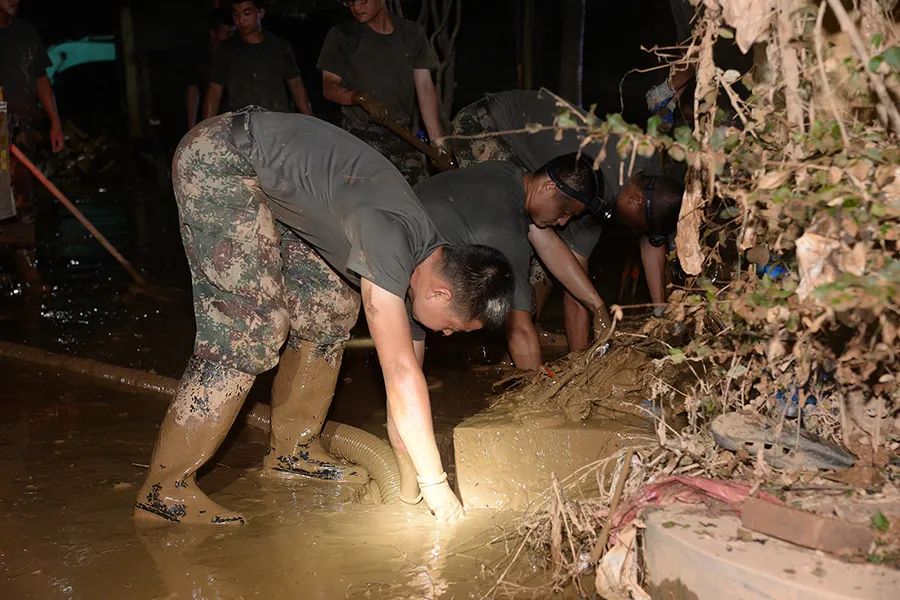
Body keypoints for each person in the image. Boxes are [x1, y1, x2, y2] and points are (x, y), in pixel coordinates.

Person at [133, 107, 514, 526]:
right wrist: (437, 485)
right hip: (224, 156)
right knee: (253, 326)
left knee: (331, 307)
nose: (447, 335)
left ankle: (292, 451)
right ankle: (164, 491)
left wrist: (411, 492)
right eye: (453, 326)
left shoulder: (424, 271)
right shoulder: (391, 239)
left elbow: (404, 393)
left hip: (274, 181)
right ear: (441, 293)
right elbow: (402, 375)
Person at [449, 89, 683, 351]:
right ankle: (512, 339)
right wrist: (582, 358)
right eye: (634, 226)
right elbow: (576, 286)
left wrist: (661, 311)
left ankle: (528, 330)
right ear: (636, 201)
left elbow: (652, 240)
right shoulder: (596, 185)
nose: (629, 230)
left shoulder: (650, 169)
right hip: (488, 126)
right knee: (522, 229)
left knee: (547, 245)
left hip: (535, 156)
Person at [413, 155, 611, 371]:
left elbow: (549, 245)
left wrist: (598, 307)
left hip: (406, 238)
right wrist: (537, 383)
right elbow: (520, 330)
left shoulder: (506, 175)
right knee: (512, 300)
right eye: (564, 212)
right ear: (548, 187)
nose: (563, 222)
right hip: (408, 271)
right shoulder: (504, 231)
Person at [318, 0, 445, 184]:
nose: (356, 7)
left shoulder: (411, 33)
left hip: (403, 137)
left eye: (362, 0)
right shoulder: (342, 35)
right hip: (359, 140)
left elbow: (425, 88)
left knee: (418, 194)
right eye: (349, 2)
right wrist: (358, 98)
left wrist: (437, 144)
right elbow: (329, 88)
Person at [203, 0, 312, 119]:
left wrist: (310, 120)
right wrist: (207, 126)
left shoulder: (279, 46)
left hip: (278, 120)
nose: (241, 20)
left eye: (247, 13)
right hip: (243, 123)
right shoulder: (227, 50)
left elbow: (296, 85)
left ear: (260, 12)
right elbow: (214, 92)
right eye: (236, 15)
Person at [185, 9, 233, 130]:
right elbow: (193, 92)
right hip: (211, 122)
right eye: (227, 32)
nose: (230, 36)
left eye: (232, 32)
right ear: (213, 33)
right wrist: (191, 127)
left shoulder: (236, 56)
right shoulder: (201, 59)